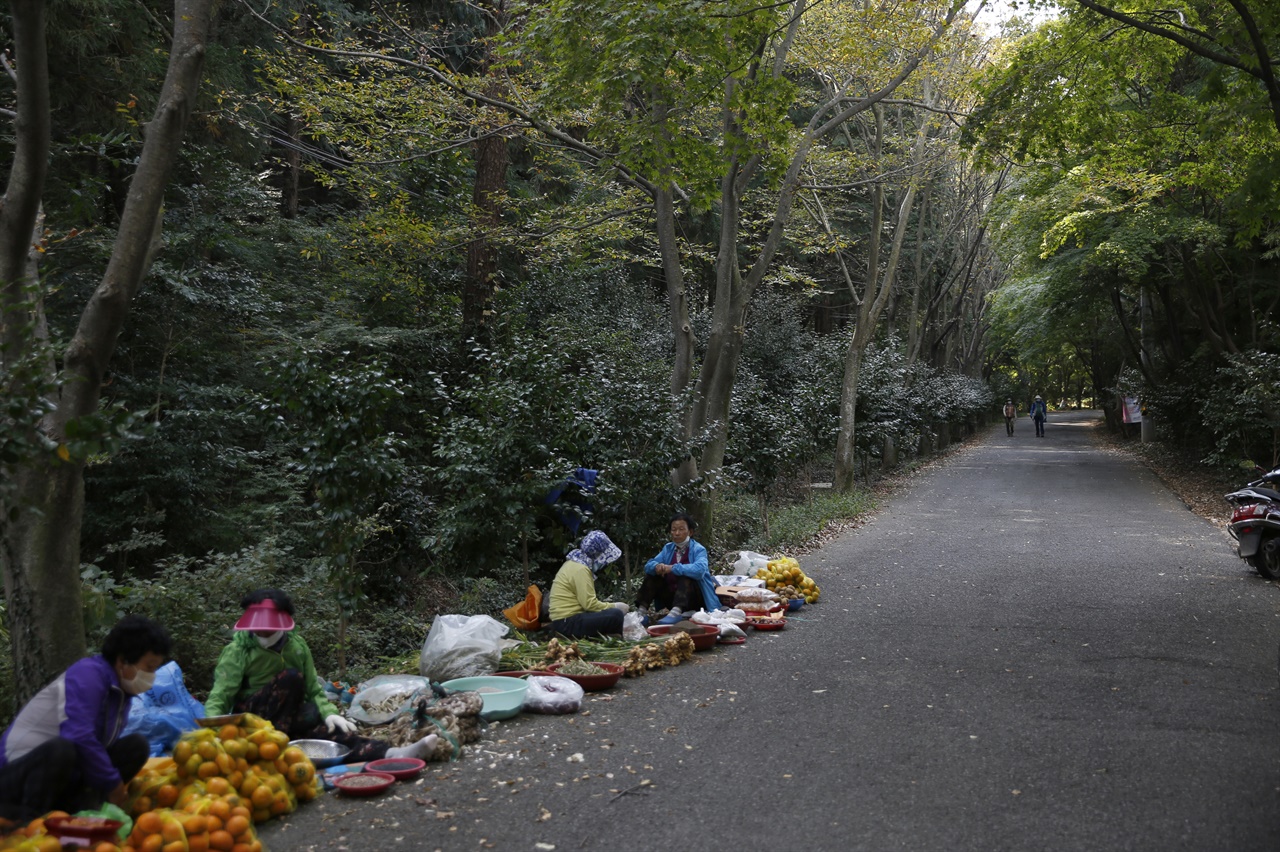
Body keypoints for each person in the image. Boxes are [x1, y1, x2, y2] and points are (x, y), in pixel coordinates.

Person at [204, 589, 436, 763]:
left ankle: (393, 754)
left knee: (334, 733)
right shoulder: (238, 651)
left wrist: (330, 714)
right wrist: (210, 731)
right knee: (291, 678)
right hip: (255, 719)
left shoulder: (297, 646)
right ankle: (275, 745)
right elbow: (221, 695)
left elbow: (313, 689)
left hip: (290, 719)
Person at [0, 615, 169, 821]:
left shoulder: (122, 692)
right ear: (123, 659)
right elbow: (77, 735)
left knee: (136, 746)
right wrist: (112, 782)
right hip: (16, 777)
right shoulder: (88, 674)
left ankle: (83, 813)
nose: (152, 675)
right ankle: (29, 824)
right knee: (62, 749)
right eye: (149, 667)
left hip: (61, 776)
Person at [638, 513, 721, 626]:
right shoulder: (668, 548)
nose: (676, 533)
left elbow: (699, 570)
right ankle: (641, 613)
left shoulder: (699, 549)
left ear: (690, 532)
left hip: (694, 598)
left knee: (686, 575)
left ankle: (676, 613)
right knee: (652, 575)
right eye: (674, 530)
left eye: (681, 529)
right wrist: (657, 567)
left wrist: (673, 568)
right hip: (673, 596)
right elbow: (649, 565)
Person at [547, 531, 629, 638]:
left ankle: (607, 636)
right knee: (615, 615)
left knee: (610, 614)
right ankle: (612, 639)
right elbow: (589, 604)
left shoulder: (574, 563)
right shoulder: (581, 569)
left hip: (565, 620)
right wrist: (615, 606)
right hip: (567, 623)